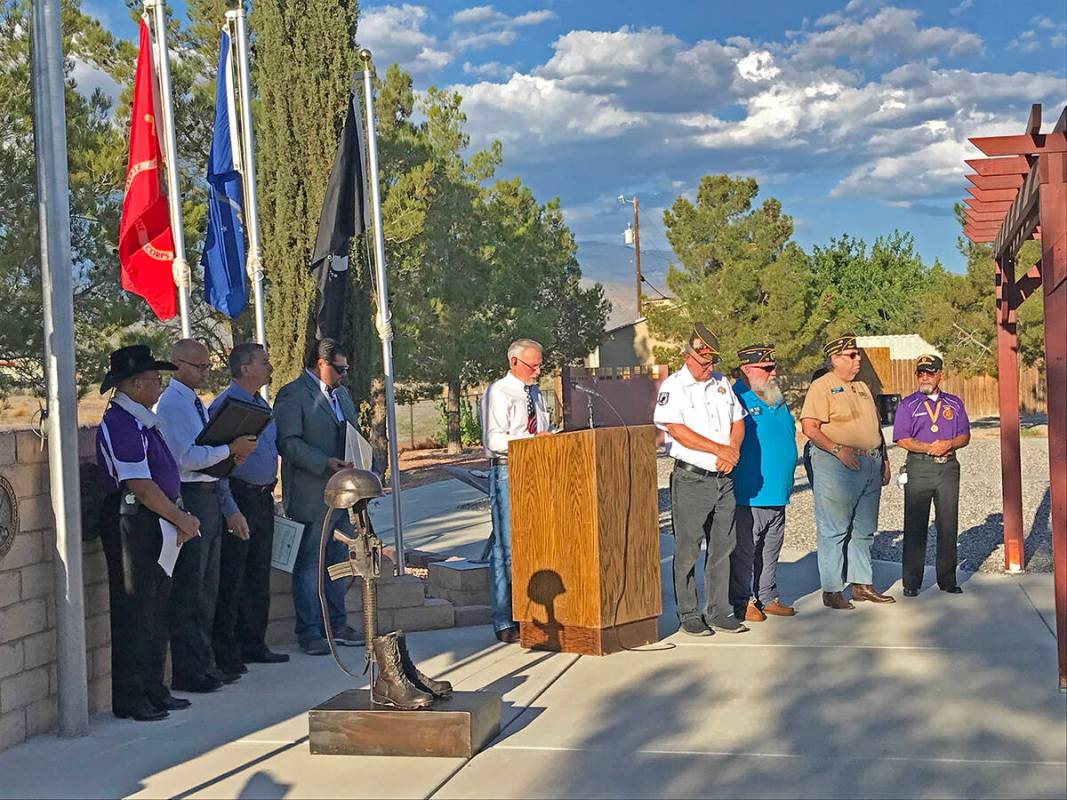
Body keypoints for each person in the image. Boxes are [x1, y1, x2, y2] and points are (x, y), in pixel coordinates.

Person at [95, 345, 201, 721]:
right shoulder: (122, 423)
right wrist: (179, 516)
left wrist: (176, 515)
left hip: (155, 519)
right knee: (134, 608)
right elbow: (138, 483)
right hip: (133, 520)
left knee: (156, 606)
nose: (159, 385)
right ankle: (132, 696)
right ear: (136, 384)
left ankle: (155, 688)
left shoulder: (142, 420)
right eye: (155, 380)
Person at [156, 339, 258, 691]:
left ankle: (206, 662)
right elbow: (185, 457)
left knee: (208, 586)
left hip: (210, 493)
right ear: (177, 364)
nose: (205, 372)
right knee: (190, 588)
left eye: (207, 366)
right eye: (199, 367)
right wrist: (228, 449)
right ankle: (190, 670)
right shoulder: (171, 404)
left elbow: (205, 451)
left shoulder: (191, 401)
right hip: (191, 495)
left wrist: (230, 458)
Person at [654, 323, 748, 636]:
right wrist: (717, 448)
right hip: (692, 479)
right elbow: (676, 430)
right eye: (703, 363)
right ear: (689, 356)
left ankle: (719, 610)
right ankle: (688, 612)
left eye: (712, 363)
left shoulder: (722, 383)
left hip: (724, 477)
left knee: (723, 546)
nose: (708, 368)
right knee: (688, 549)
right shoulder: (674, 386)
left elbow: (738, 421)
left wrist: (731, 450)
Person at [274, 338, 363, 655]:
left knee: (338, 562)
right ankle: (310, 631)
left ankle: (338, 625)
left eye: (346, 370)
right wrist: (323, 462)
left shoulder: (342, 395)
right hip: (312, 495)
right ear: (321, 364)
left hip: (344, 494)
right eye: (339, 369)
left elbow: (353, 432)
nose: (343, 376)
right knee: (310, 563)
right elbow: (287, 443)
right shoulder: (293, 395)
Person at [209, 343, 290, 671]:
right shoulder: (225, 407)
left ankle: (254, 643)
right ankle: (228, 651)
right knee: (233, 577)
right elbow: (217, 466)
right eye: (264, 362)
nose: (270, 367)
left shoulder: (262, 405)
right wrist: (230, 509)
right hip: (238, 498)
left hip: (261, 498)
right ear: (245, 369)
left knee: (258, 575)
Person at [800, 333, 893, 610]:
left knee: (864, 528)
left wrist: (884, 458)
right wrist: (837, 449)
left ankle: (862, 584)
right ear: (834, 359)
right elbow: (810, 427)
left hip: (870, 462)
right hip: (836, 463)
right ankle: (832, 589)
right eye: (850, 355)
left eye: (857, 354)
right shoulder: (823, 386)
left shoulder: (863, 387)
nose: (857, 359)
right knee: (835, 528)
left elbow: (874, 427)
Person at [480, 338, 553, 644]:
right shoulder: (499, 391)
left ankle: (535, 612)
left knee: (535, 545)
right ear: (514, 362)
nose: (537, 371)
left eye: (539, 365)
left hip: (538, 470)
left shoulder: (534, 393)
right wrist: (528, 443)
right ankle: (505, 617)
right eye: (532, 365)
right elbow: (493, 440)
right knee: (507, 548)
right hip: (508, 471)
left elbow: (542, 426)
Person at [728, 344, 798, 622]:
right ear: (747, 369)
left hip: (778, 491)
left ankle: (767, 596)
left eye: (774, 367)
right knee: (745, 550)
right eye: (767, 368)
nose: (773, 373)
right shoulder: (736, 397)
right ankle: (742, 600)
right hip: (750, 491)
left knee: (771, 549)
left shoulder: (775, 397)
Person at [892, 354, 971, 596]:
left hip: (947, 467)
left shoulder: (954, 403)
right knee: (915, 524)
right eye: (920, 373)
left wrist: (948, 443)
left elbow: (965, 436)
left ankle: (947, 580)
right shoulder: (908, 404)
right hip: (920, 466)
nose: (925, 377)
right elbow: (901, 439)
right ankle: (911, 582)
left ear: (940, 375)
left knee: (948, 524)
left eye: (930, 372)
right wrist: (928, 447)